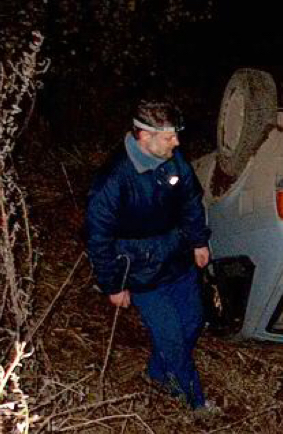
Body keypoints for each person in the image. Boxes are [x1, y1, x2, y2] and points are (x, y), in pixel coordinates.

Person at [85, 98, 216, 416]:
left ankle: (157, 373)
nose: (178, 142)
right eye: (170, 136)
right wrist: (113, 285)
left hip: (177, 258)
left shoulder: (174, 160)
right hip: (141, 272)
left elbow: (190, 203)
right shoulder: (112, 181)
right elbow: (98, 239)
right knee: (171, 337)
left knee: (193, 322)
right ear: (145, 136)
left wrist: (199, 242)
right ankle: (194, 401)